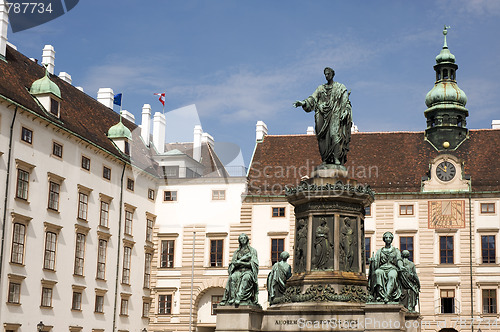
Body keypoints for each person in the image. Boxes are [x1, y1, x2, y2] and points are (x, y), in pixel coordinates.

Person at [294, 67, 352, 166]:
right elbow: (312, 98)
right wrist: (303, 103)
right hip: (322, 114)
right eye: (325, 74)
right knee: (321, 137)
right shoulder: (320, 88)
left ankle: (336, 158)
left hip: (335, 113)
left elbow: (345, 102)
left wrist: (345, 111)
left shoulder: (340, 87)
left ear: (332, 74)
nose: (326, 76)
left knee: (334, 135)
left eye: (328, 74)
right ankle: (325, 158)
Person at [219, 233, 259, 307]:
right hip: (238, 271)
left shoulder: (252, 251)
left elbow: (253, 264)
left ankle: (239, 297)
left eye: (244, 238)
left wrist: (241, 262)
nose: (243, 239)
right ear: (239, 241)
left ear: (247, 240)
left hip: (248, 271)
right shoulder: (236, 252)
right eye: (241, 238)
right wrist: (234, 264)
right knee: (232, 277)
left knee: (246, 278)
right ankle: (232, 298)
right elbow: (232, 264)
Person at [368, 231, 404, 303]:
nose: (388, 239)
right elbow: (376, 263)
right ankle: (381, 295)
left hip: (392, 268)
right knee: (378, 272)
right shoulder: (380, 251)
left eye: (389, 238)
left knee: (392, 275)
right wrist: (372, 261)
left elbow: (399, 260)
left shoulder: (396, 251)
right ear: (384, 239)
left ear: (391, 239)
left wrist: (401, 266)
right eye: (386, 237)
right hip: (382, 268)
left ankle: (387, 296)